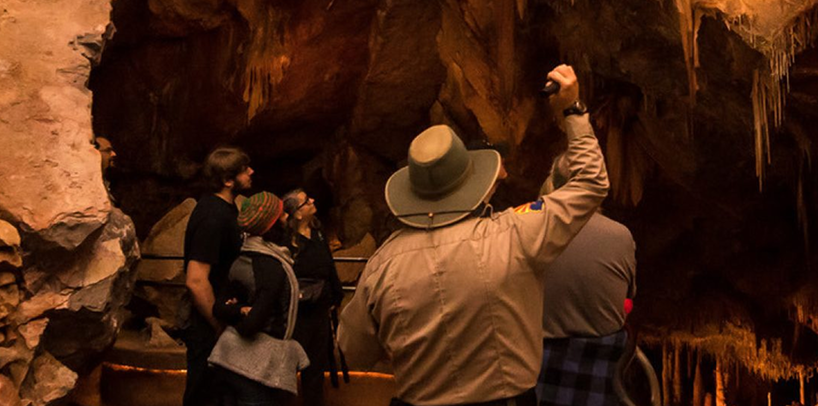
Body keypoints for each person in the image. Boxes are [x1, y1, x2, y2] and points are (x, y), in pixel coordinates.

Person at [338, 64, 610, 406]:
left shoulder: (382, 267)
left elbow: (350, 354)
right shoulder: (515, 234)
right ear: (472, 185)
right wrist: (572, 109)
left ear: (413, 192)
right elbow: (590, 183)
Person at [530, 154, 637, 406]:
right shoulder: (621, 236)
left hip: (539, 372)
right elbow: (628, 297)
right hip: (601, 376)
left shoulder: (525, 229)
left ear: (553, 186)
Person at [211, 191, 309, 406]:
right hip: (255, 371)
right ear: (270, 225)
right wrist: (246, 313)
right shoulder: (271, 266)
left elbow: (219, 307)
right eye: (282, 216)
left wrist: (238, 310)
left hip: (227, 360)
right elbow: (251, 326)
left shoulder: (243, 257)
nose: (287, 218)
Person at [183, 147, 254, 406]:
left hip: (223, 318)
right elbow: (196, 279)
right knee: (205, 395)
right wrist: (218, 325)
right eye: (244, 169)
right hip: (209, 326)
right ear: (227, 180)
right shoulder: (213, 216)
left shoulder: (226, 210)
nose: (251, 172)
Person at [281, 188, 344, 406]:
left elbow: (328, 266)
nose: (312, 200)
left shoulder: (317, 233)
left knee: (316, 368)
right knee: (289, 367)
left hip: (319, 312)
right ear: (297, 214)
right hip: (297, 314)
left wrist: (336, 296)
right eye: (306, 201)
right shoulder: (287, 242)